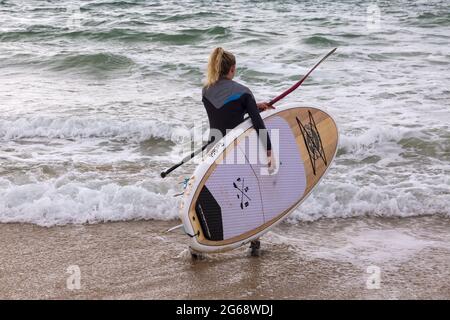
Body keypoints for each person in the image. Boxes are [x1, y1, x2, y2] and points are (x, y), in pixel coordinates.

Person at [201, 47, 274, 256]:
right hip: (237, 151)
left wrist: (252, 106)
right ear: (232, 69)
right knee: (249, 193)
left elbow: (224, 115)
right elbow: (258, 125)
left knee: (215, 195)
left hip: (214, 150)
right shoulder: (244, 91)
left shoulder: (206, 90)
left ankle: (201, 242)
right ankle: (254, 243)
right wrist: (269, 150)